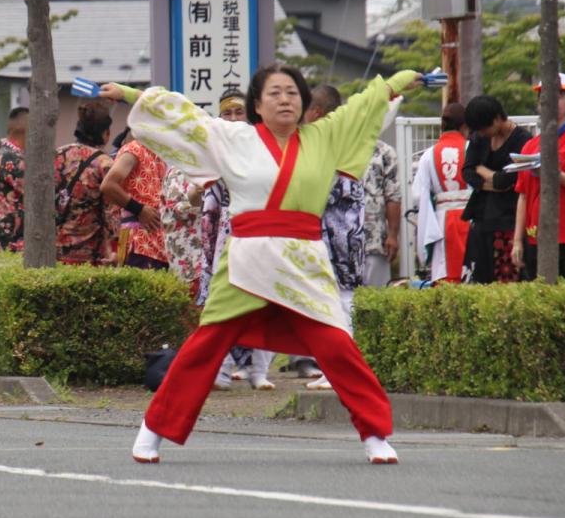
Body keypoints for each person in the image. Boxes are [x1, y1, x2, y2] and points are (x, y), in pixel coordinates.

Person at [102, 64, 419, 466]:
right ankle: (154, 428)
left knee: (337, 345)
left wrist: (394, 83)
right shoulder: (234, 137)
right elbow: (184, 115)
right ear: (257, 104)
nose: (285, 99)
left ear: (304, 102)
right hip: (246, 259)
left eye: (292, 92)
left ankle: (374, 433)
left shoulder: (325, 135)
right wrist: (132, 94)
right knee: (206, 345)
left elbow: (362, 108)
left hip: (304, 260)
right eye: (275, 93)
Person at [193, 89, 276, 391]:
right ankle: (222, 370)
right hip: (225, 232)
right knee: (223, 300)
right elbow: (197, 199)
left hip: (262, 227)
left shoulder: (264, 147)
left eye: (238, 112)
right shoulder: (215, 151)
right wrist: (202, 184)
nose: (232, 118)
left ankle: (260, 371)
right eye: (226, 113)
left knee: (264, 298)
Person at [299, 85, 365, 391]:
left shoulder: (335, 144)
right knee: (330, 303)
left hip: (340, 237)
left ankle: (341, 371)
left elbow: (322, 192)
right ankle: (332, 369)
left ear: (316, 113)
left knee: (343, 302)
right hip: (336, 235)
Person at [511, 73, 565, 282]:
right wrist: (517, 240)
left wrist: (555, 175)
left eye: (558, 95)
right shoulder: (529, 146)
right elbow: (523, 196)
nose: (548, 101)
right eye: (543, 96)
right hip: (537, 237)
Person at [462, 95, 530, 283]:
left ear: (498, 118)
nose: (482, 133)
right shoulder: (479, 137)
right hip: (481, 218)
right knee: (479, 281)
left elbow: (506, 181)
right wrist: (492, 179)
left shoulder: (522, 140)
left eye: (485, 128)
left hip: (507, 221)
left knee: (506, 280)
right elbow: (468, 172)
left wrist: (480, 169)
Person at [411, 102, 471, 283]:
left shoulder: (428, 155)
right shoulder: (471, 149)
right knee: (470, 274)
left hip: (441, 221)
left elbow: (417, 195)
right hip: (470, 217)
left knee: (445, 274)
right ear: (464, 125)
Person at [54, 100, 115, 265]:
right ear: (106, 133)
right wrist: (114, 249)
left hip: (53, 250)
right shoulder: (104, 164)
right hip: (89, 254)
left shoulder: (57, 155)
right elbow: (111, 213)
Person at [103, 139, 168, 269]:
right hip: (138, 239)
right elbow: (108, 185)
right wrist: (139, 209)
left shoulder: (160, 153)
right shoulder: (134, 149)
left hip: (159, 242)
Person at [362, 114, 402, 287]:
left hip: (375, 240)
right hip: (340, 244)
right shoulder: (338, 151)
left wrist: (392, 235)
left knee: (376, 296)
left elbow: (393, 196)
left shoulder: (385, 153)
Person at [0, 107, 28, 252]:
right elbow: (38, 193)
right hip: (14, 243)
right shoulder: (11, 158)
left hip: (6, 241)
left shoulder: (4, 153)